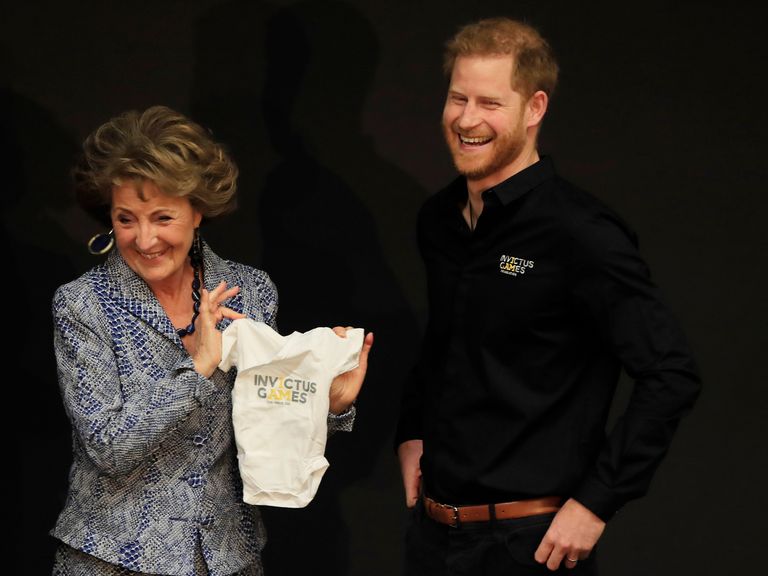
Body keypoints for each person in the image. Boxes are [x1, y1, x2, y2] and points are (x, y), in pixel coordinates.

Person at [395, 17, 701, 575]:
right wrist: (411, 430)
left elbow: (671, 373)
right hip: (433, 539)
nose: (466, 119)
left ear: (534, 108)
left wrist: (596, 501)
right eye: (457, 97)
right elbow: (446, 342)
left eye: (490, 102)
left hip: (528, 546)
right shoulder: (438, 220)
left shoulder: (582, 234)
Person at [50, 105, 373, 576]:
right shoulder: (83, 305)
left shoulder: (251, 290)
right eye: (125, 219)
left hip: (226, 558)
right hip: (111, 560)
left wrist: (329, 404)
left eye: (162, 217)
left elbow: (265, 419)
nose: (144, 239)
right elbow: (109, 448)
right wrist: (198, 366)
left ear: (197, 211)